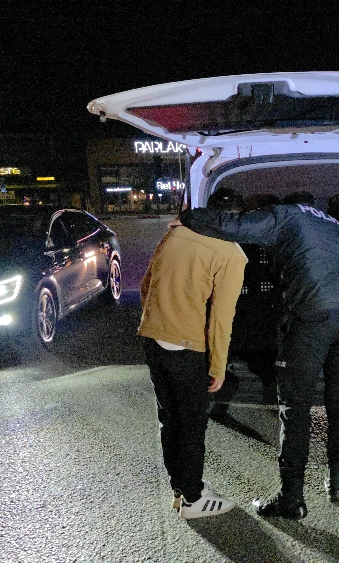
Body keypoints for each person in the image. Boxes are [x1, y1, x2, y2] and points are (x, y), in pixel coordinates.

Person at [172, 190, 339, 520]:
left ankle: (291, 499)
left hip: (314, 313)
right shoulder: (333, 224)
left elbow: (234, 225)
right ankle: (337, 482)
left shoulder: (286, 215)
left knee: (295, 405)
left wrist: (189, 216)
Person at [138, 187, 248, 519]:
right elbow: (221, 318)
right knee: (191, 423)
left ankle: (180, 488)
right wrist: (218, 366)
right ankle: (193, 498)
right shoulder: (231, 254)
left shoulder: (175, 234)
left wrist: (160, 319)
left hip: (152, 335)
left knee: (169, 418)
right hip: (186, 345)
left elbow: (145, 286)